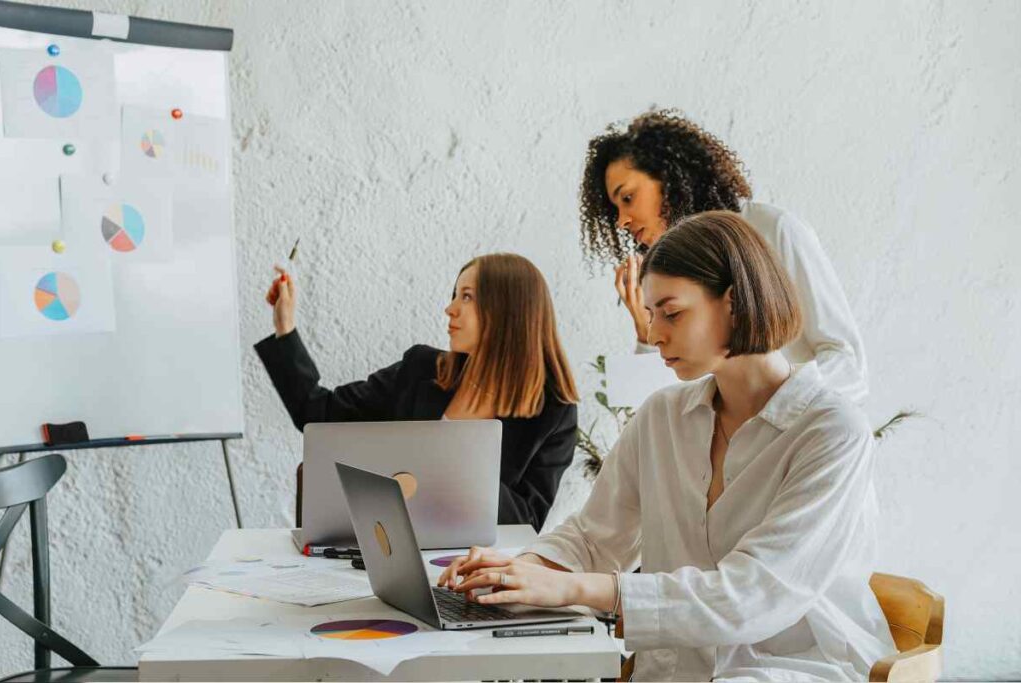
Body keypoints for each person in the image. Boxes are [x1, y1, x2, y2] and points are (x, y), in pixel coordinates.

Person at [438, 213, 896, 681]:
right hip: (675, 669)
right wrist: (515, 571)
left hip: (794, 668)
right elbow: (596, 536)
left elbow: (753, 596)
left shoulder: (832, 431)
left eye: (671, 313)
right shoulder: (661, 416)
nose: (654, 333)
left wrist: (573, 588)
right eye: (651, 314)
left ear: (734, 302)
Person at [255, 253, 579, 531]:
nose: (450, 308)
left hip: (472, 569)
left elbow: (527, 523)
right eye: (455, 294)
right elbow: (317, 413)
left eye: (467, 296)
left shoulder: (553, 412)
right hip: (389, 550)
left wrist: (458, 464)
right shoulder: (421, 369)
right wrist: (285, 327)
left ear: (509, 311)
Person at [580, 109, 869, 404]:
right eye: (615, 209)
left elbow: (848, 366)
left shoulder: (774, 231)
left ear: (669, 177)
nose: (621, 221)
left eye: (627, 198)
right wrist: (646, 331)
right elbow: (654, 411)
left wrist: (770, 406)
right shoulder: (665, 275)